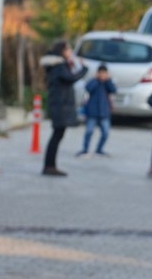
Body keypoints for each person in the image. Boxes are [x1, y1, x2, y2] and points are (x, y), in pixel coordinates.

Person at [40, 41, 88, 177]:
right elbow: (70, 78)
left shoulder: (58, 65)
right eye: (68, 50)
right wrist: (84, 69)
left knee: (57, 135)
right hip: (60, 105)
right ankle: (49, 166)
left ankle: (50, 165)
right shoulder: (59, 66)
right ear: (62, 51)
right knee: (56, 135)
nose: (71, 52)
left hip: (59, 104)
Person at [78, 64, 116, 157]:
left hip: (104, 112)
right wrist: (96, 79)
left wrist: (108, 80)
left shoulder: (108, 83)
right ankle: (85, 149)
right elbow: (88, 88)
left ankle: (99, 149)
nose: (102, 75)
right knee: (89, 131)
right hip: (92, 111)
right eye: (101, 73)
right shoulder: (94, 81)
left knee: (105, 133)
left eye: (104, 73)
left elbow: (113, 90)